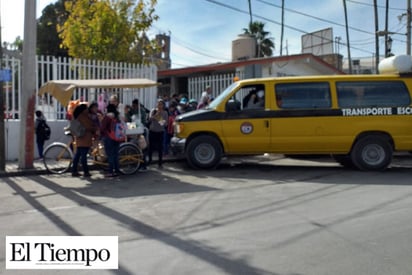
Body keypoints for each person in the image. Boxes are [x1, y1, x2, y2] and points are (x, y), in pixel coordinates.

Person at [71, 104, 96, 177]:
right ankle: (86, 172)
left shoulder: (78, 116)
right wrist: (95, 128)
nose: (88, 109)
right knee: (83, 156)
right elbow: (89, 126)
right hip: (85, 139)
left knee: (77, 156)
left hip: (80, 139)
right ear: (84, 110)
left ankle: (74, 170)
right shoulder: (83, 117)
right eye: (86, 108)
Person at [100, 104, 122, 177]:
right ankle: (117, 170)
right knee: (116, 155)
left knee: (110, 155)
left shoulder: (107, 117)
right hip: (117, 137)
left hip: (108, 137)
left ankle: (110, 171)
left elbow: (102, 128)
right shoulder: (117, 116)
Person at [148, 99, 168, 168]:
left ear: (163, 105)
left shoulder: (165, 113)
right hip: (152, 131)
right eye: (158, 104)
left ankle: (160, 163)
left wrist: (158, 117)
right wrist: (156, 115)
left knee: (160, 148)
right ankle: (150, 160)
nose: (159, 106)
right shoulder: (153, 110)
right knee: (151, 147)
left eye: (161, 104)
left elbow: (164, 124)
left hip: (160, 132)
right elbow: (150, 119)